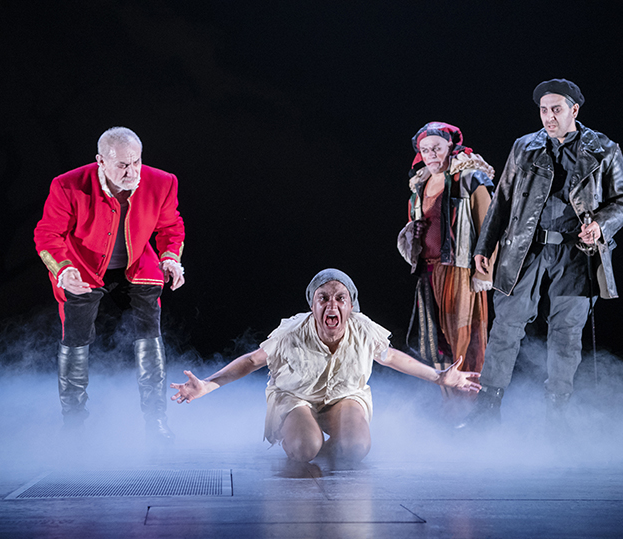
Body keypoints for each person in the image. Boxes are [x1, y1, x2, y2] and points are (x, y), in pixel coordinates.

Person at [170, 269, 481, 467]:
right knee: (305, 448)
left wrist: (439, 377)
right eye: (324, 298)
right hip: (296, 399)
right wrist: (207, 385)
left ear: (350, 305)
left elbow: (391, 357)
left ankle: (326, 442)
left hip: (344, 398)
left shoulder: (362, 328)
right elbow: (252, 360)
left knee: (356, 448)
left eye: (340, 298)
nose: (332, 305)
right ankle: (302, 436)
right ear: (313, 305)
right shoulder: (292, 332)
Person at [465, 79, 623, 428]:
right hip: (525, 248)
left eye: (556, 109)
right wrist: (485, 245)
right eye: (543, 110)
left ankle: (557, 416)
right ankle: (487, 409)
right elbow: (502, 200)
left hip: (575, 252)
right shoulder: (524, 146)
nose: (548, 117)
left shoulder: (604, 148)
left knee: (566, 333)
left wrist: (600, 225)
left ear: (574, 110)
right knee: (506, 326)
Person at [34, 126, 185, 443]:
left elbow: (171, 227)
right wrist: (64, 269)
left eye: (137, 162)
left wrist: (170, 257)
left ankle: (156, 421)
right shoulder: (68, 185)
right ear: (101, 161)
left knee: (150, 332)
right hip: (83, 268)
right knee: (75, 337)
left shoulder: (163, 182)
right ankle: (73, 426)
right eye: (123, 165)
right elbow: (47, 235)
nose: (132, 172)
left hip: (137, 266)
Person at [397, 122, 495, 398]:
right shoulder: (420, 185)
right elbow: (419, 225)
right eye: (425, 150)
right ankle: (450, 404)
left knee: (464, 339)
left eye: (437, 148)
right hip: (428, 272)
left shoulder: (469, 179)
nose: (431, 155)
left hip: (460, 271)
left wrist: (483, 274)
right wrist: (414, 231)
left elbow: (490, 227)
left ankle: (472, 402)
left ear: (450, 146)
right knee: (435, 343)